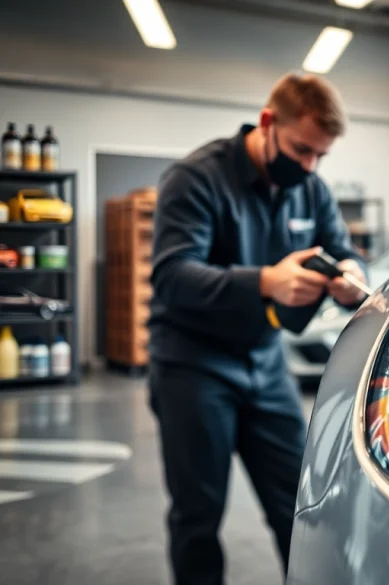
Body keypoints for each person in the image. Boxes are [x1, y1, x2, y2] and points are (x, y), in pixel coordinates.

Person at [147, 72, 368, 585]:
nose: (309, 166)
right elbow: (172, 275)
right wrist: (265, 281)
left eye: (320, 156)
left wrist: (354, 274)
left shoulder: (309, 189)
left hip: (266, 365)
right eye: (300, 150)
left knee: (301, 505)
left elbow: (347, 252)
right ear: (267, 123)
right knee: (197, 515)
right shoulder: (195, 178)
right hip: (192, 365)